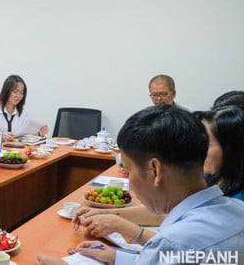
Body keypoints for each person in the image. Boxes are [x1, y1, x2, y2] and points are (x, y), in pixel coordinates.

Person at [36, 105, 244, 265]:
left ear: (155, 170)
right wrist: (120, 258)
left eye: (129, 170)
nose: (130, 183)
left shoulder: (173, 244)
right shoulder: (237, 210)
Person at [0, 75, 48, 142]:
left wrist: (39, 134)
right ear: (6, 91)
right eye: (15, 91)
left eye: (22, 93)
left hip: (16, 150)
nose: (18, 96)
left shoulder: (22, 113)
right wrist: (1, 135)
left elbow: (23, 136)